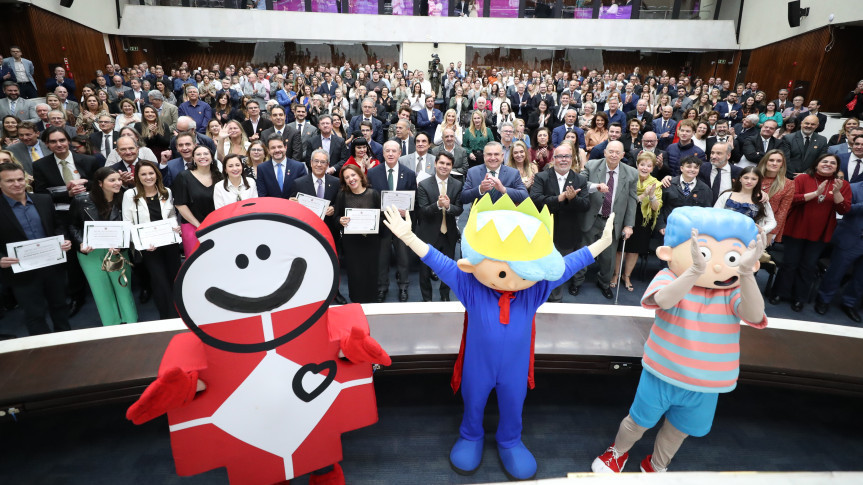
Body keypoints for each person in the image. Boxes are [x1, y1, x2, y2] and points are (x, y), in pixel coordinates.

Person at [382, 194, 614, 481]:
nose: (514, 277)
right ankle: (471, 434)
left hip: (514, 370)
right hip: (477, 366)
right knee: (474, 399)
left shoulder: (534, 290)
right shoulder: (471, 286)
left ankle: (510, 440)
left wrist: (600, 245)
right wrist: (408, 237)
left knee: (514, 404)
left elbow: (567, 266)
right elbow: (439, 261)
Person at [592, 207, 766, 474]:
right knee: (637, 421)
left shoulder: (734, 291)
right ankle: (618, 452)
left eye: (731, 255)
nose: (717, 265)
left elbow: (754, 315)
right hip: (663, 372)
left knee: (679, 431)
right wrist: (695, 270)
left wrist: (745, 274)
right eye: (705, 253)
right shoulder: (669, 276)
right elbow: (663, 300)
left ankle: (657, 464)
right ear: (667, 253)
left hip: (706, 383)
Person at [770, 153, 851, 312]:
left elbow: (844, 209)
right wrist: (815, 193)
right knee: (789, 263)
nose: (828, 164)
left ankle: (799, 298)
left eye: (832, 163)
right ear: (816, 164)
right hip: (796, 228)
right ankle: (779, 292)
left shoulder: (842, 185)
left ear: (836, 167)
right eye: (824, 161)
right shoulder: (802, 179)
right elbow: (792, 199)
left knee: (808, 266)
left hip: (820, 233)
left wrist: (836, 193)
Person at [0, 162, 73, 335]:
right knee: (35, 314)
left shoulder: (43, 200)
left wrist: (65, 240)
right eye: (10, 181)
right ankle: (44, 352)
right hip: (22, 272)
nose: (17, 184)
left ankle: (67, 343)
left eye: (20, 179)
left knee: (60, 307)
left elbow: (58, 226)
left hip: (52, 266)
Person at [70, 167, 137, 326]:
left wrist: (122, 245)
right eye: (112, 180)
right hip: (91, 252)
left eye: (119, 179)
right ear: (100, 183)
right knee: (101, 290)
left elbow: (131, 225)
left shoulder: (125, 198)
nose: (117, 183)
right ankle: (111, 324)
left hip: (117, 250)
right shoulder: (81, 200)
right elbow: (72, 226)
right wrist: (81, 242)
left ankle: (132, 322)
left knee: (123, 287)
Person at [573, 141, 637, 298]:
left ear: (623, 155)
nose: (614, 155)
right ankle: (576, 282)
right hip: (591, 218)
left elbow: (632, 200)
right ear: (605, 153)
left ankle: (604, 284)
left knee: (608, 259)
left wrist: (629, 225)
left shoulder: (631, 173)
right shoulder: (592, 165)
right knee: (584, 253)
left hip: (612, 221)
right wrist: (596, 186)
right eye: (611, 151)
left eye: (618, 152)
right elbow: (580, 183)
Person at [528, 142, 591, 301]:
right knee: (540, 264)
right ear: (553, 159)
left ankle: (555, 298)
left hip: (567, 231)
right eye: (560, 156)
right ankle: (536, 296)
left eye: (567, 156)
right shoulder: (542, 176)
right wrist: (559, 198)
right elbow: (534, 200)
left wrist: (573, 199)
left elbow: (585, 205)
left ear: (572, 159)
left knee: (558, 267)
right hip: (543, 230)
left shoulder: (580, 180)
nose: (564, 159)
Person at [121, 160, 181, 320]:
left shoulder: (166, 191)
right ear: (137, 177)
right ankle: (168, 317)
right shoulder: (130, 195)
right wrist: (141, 243)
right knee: (160, 282)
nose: (148, 177)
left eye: (151, 173)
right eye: (143, 174)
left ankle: (180, 315)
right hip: (149, 247)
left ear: (157, 174)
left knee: (174, 279)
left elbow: (172, 215)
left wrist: (176, 227)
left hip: (169, 244)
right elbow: (128, 223)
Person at [367, 140, 417, 302]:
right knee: (382, 258)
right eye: (387, 151)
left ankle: (403, 286)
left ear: (399, 153)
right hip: (383, 223)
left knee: (403, 258)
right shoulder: (373, 173)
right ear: (383, 153)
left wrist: (407, 210)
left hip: (401, 222)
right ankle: (382, 287)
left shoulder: (409, 174)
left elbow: (414, 200)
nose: (390, 154)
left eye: (393, 151)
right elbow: (370, 199)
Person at [416, 152, 464, 302]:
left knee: (448, 269)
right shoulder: (424, 185)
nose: (444, 166)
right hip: (428, 234)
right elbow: (422, 212)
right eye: (442, 163)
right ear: (435, 164)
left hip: (448, 234)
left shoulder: (457, 185)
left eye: (448, 164)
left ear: (452, 167)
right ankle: (427, 299)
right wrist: (438, 205)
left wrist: (449, 206)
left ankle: (444, 296)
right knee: (424, 271)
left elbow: (459, 209)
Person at [815, 178, 863, 322]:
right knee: (836, 272)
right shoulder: (853, 188)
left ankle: (849, 303)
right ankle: (824, 299)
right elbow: (845, 209)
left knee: (861, 278)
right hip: (851, 238)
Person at [613, 151, 662, 293]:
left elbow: (656, 207)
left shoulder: (656, 184)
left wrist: (652, 196)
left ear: (653, 168)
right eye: (642, 164)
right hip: (624, 215)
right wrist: (644, 194)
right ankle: (615, 274)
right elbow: (628, 200)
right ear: (637, 165)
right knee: (619, 249)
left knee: (634, 250)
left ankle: (626, 276)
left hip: (643, 220)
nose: (645, 168)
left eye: (649, 166)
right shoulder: (628, 178)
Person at [335, 163, 381, 303]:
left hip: (371, 241)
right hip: (352, 242)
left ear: (360, 176)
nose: (351, 179)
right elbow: (336, 217)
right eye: (347, 177)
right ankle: (356, 300)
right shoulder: (342, 195)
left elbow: (381, 217)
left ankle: (372, 299)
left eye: (353, 175)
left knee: (371, 270)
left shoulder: (373, 194)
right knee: (355, 273)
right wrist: (340, 221)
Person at [173, 145, 222, 256]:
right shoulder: (184, 176)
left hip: (215, 227)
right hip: (193, 227)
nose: (202, 157)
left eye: (206, 154)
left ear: (211, 157)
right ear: (193, 159)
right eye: (198, 154)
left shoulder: (219, 176)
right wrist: (199, 226)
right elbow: (180, 205)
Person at [714, 166, 776, 233]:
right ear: (740, 179)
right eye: (746, 178)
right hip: (723, 234)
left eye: (754, 179)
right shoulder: (726, 195)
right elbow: (714, 214)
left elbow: (772, 221)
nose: (749, 181)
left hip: (748, 239)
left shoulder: (761, 199)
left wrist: (763, 230)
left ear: (758, 181)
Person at [756, 150, 795, 244]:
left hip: (766, 227)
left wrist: (771, 233)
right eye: (771, 160)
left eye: (778, 161)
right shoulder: (754, 177)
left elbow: (782, 212)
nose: (774, 163)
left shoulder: (788, 184)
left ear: (782, 164)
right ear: (765, 162)